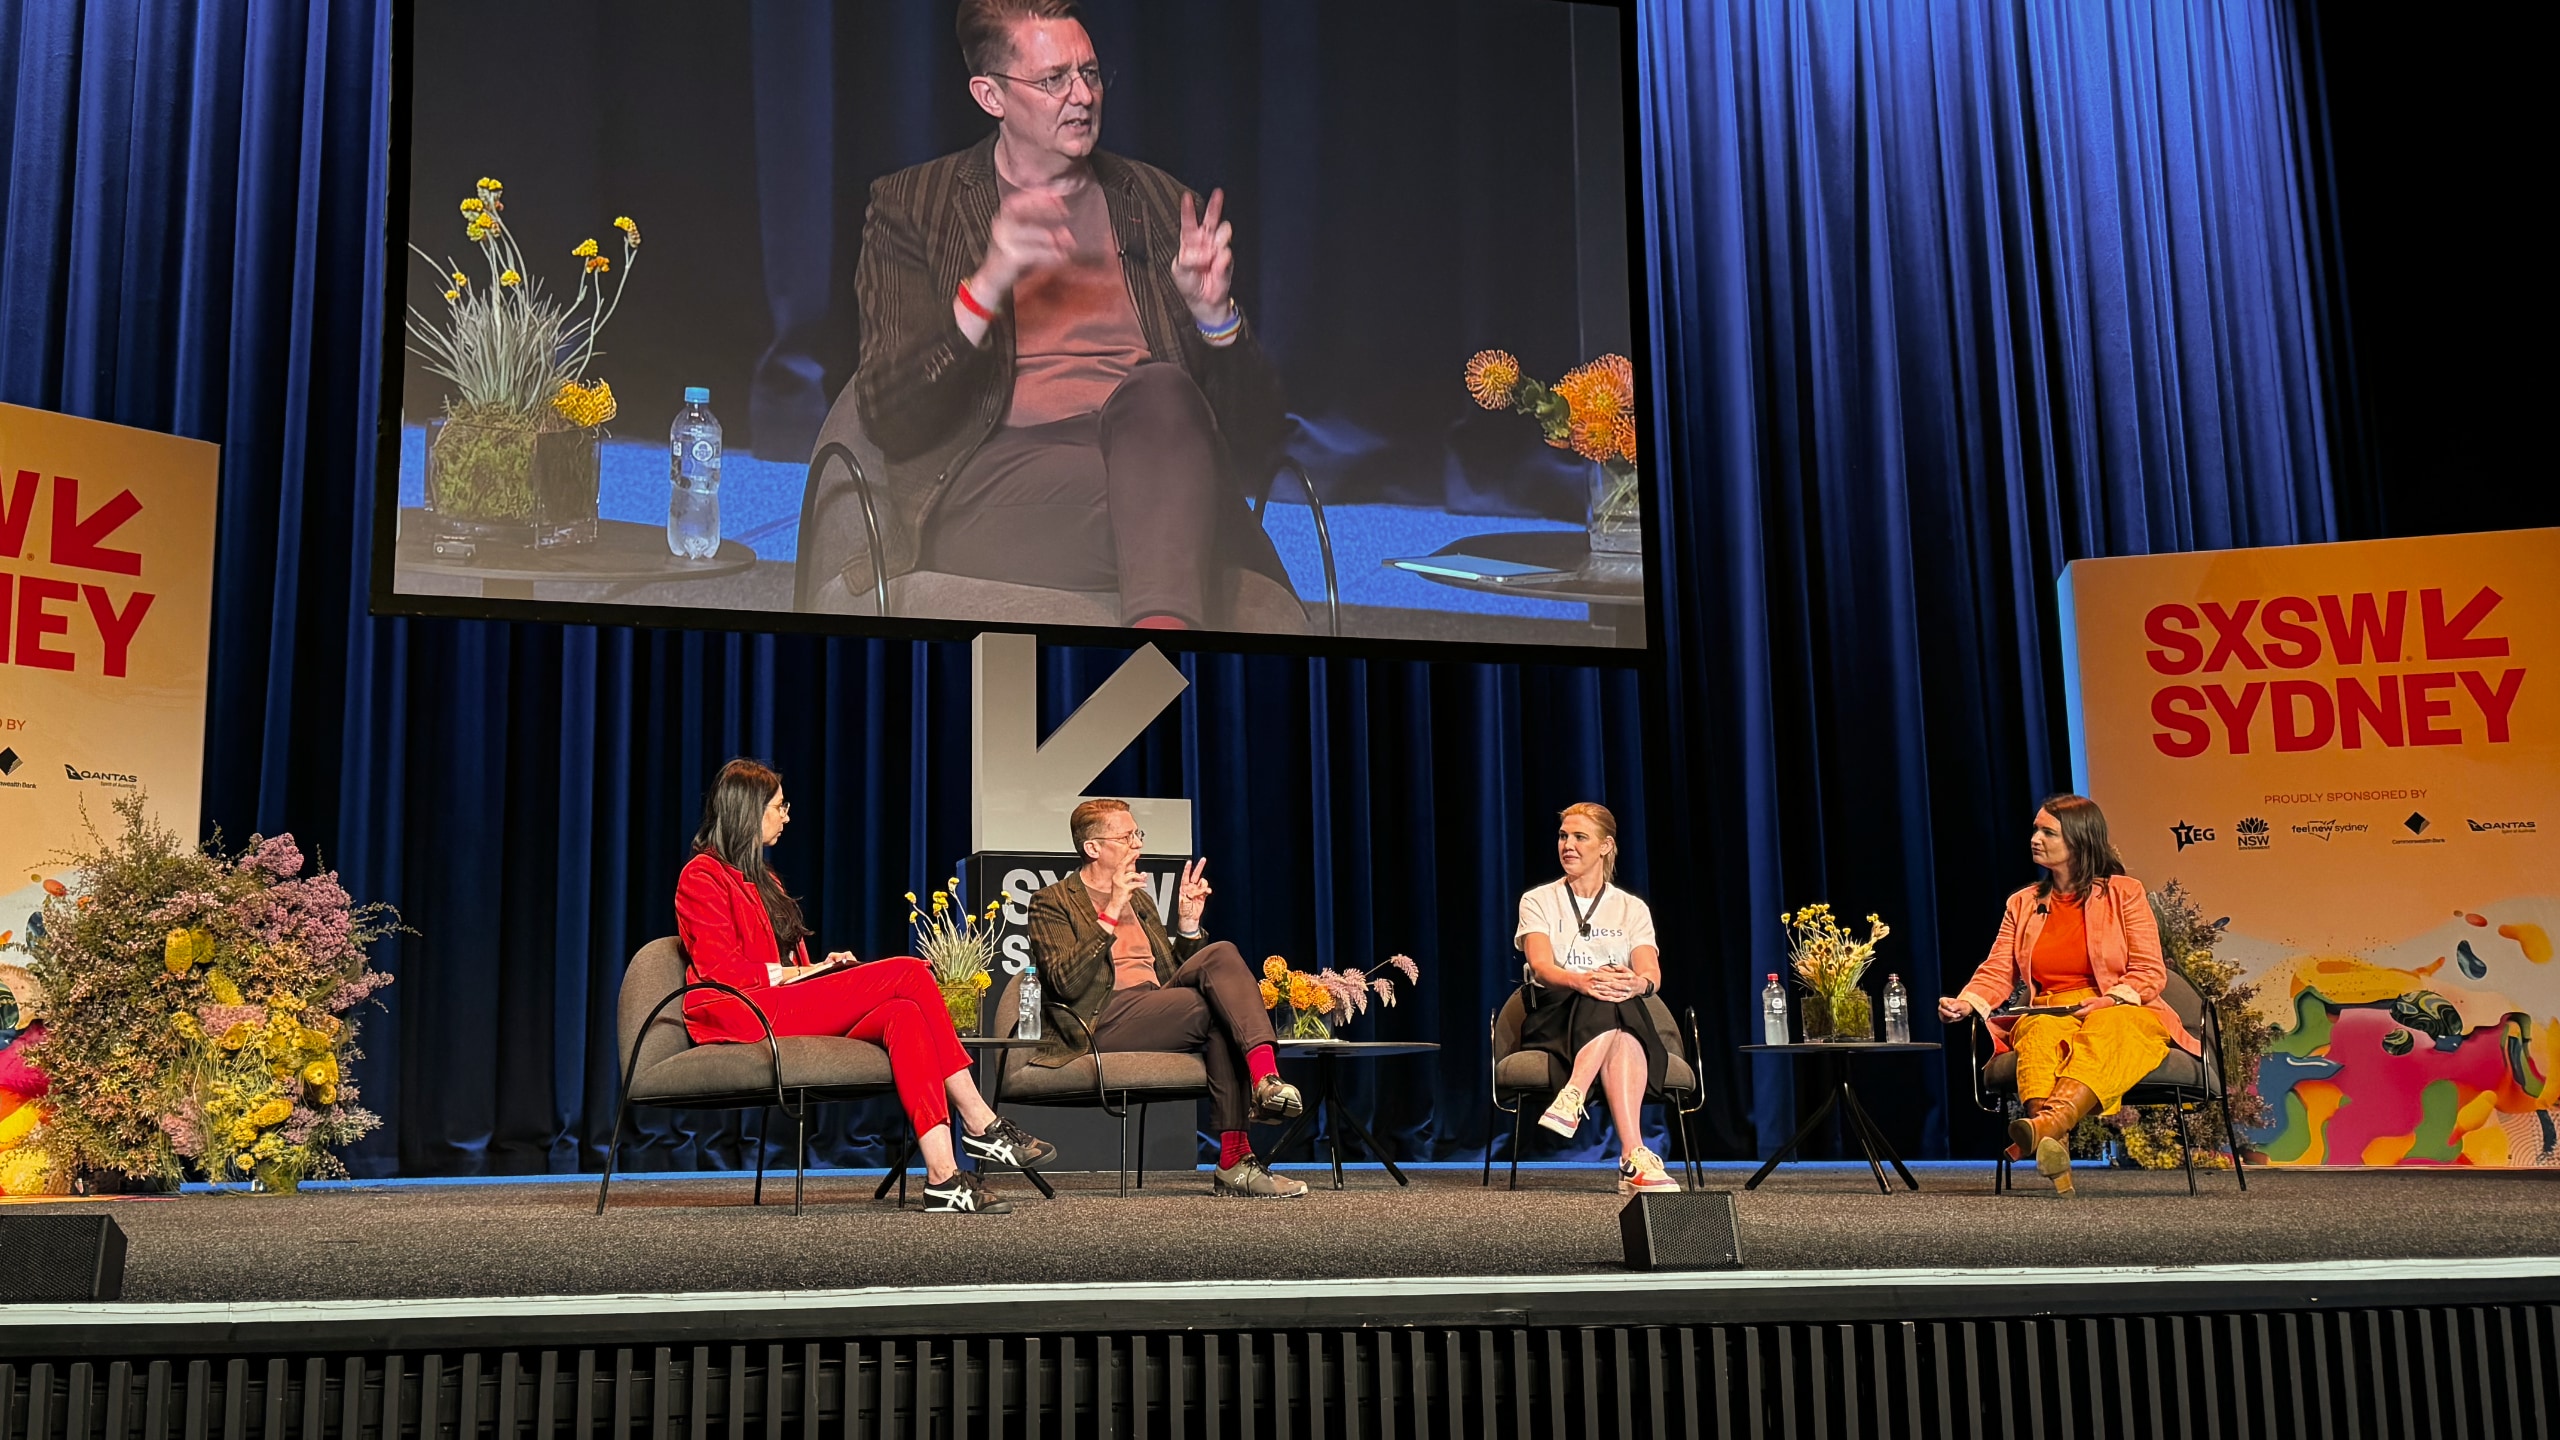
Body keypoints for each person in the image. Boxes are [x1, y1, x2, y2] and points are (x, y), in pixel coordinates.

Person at [850, 0, 1295, 630]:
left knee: (1163, 390)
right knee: (1186, 503)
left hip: (1153, 449)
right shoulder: (915, 205)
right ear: (990, 95)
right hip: (998, 480)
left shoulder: (1164, 205)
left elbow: (1259, 431)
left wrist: (1214, 320)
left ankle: (1155, 650)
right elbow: (889, 414)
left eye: (1090, 73)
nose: (1083, 96)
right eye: (1053, 79)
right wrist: (987, 285)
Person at [675, 759, 1055, 1215]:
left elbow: (777, 962)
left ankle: (943, 1178)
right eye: (779, 806)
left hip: (776, 1001)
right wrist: (801, 975)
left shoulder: (765, 878)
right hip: (737, 1011)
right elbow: (722, 970)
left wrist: (818, 967)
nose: (787, 815)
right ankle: (980, 1121)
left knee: (905, 1015)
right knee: (909, 973)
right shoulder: (701, 876)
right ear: (747, 810)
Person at [1023, 799, 1309, 1197]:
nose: (1137, 845)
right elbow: (1063, 983)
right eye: (1126, 837)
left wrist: (1189, 926)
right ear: (1093, 848)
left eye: (1138, 834)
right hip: (1100, 1021)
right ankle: (1237, 1153)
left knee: (1220, 957)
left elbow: (1174, 975)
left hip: (1153, 1008)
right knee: (1212, 1010)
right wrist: (1111, 909)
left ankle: (1258, 1099)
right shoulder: (1052, 901)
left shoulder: (1140, 900)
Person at [1937, 794, 2199, 1196]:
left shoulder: (2124, 893)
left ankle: (2043, 1126)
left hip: (2120, 1007)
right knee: (2038, 1032)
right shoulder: (2022, 903)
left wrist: (2112, 999)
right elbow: (1997, 970)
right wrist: (1967, 1001)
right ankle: (2051, 1143)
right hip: (2051, 1009)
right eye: (2036, 829)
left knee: (2111, 1025)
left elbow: (2149, 970)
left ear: (2079, 841)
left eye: (2048, 832)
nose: (2035, 838)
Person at [1515, 803, 1680, 1195]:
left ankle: (1574, 1095)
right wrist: (1582, 980)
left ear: (1605, 846)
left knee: (1615, 994)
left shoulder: (1631, 908)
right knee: (1603, 990)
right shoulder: (1538, 900)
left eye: (1579, 837)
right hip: (1555, 1016)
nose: (1567, 845)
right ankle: (1635, 1156)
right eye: (1563, 836)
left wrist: (1635, 985)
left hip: (1620, 1014)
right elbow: (1541, 967)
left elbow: (1649, 973)